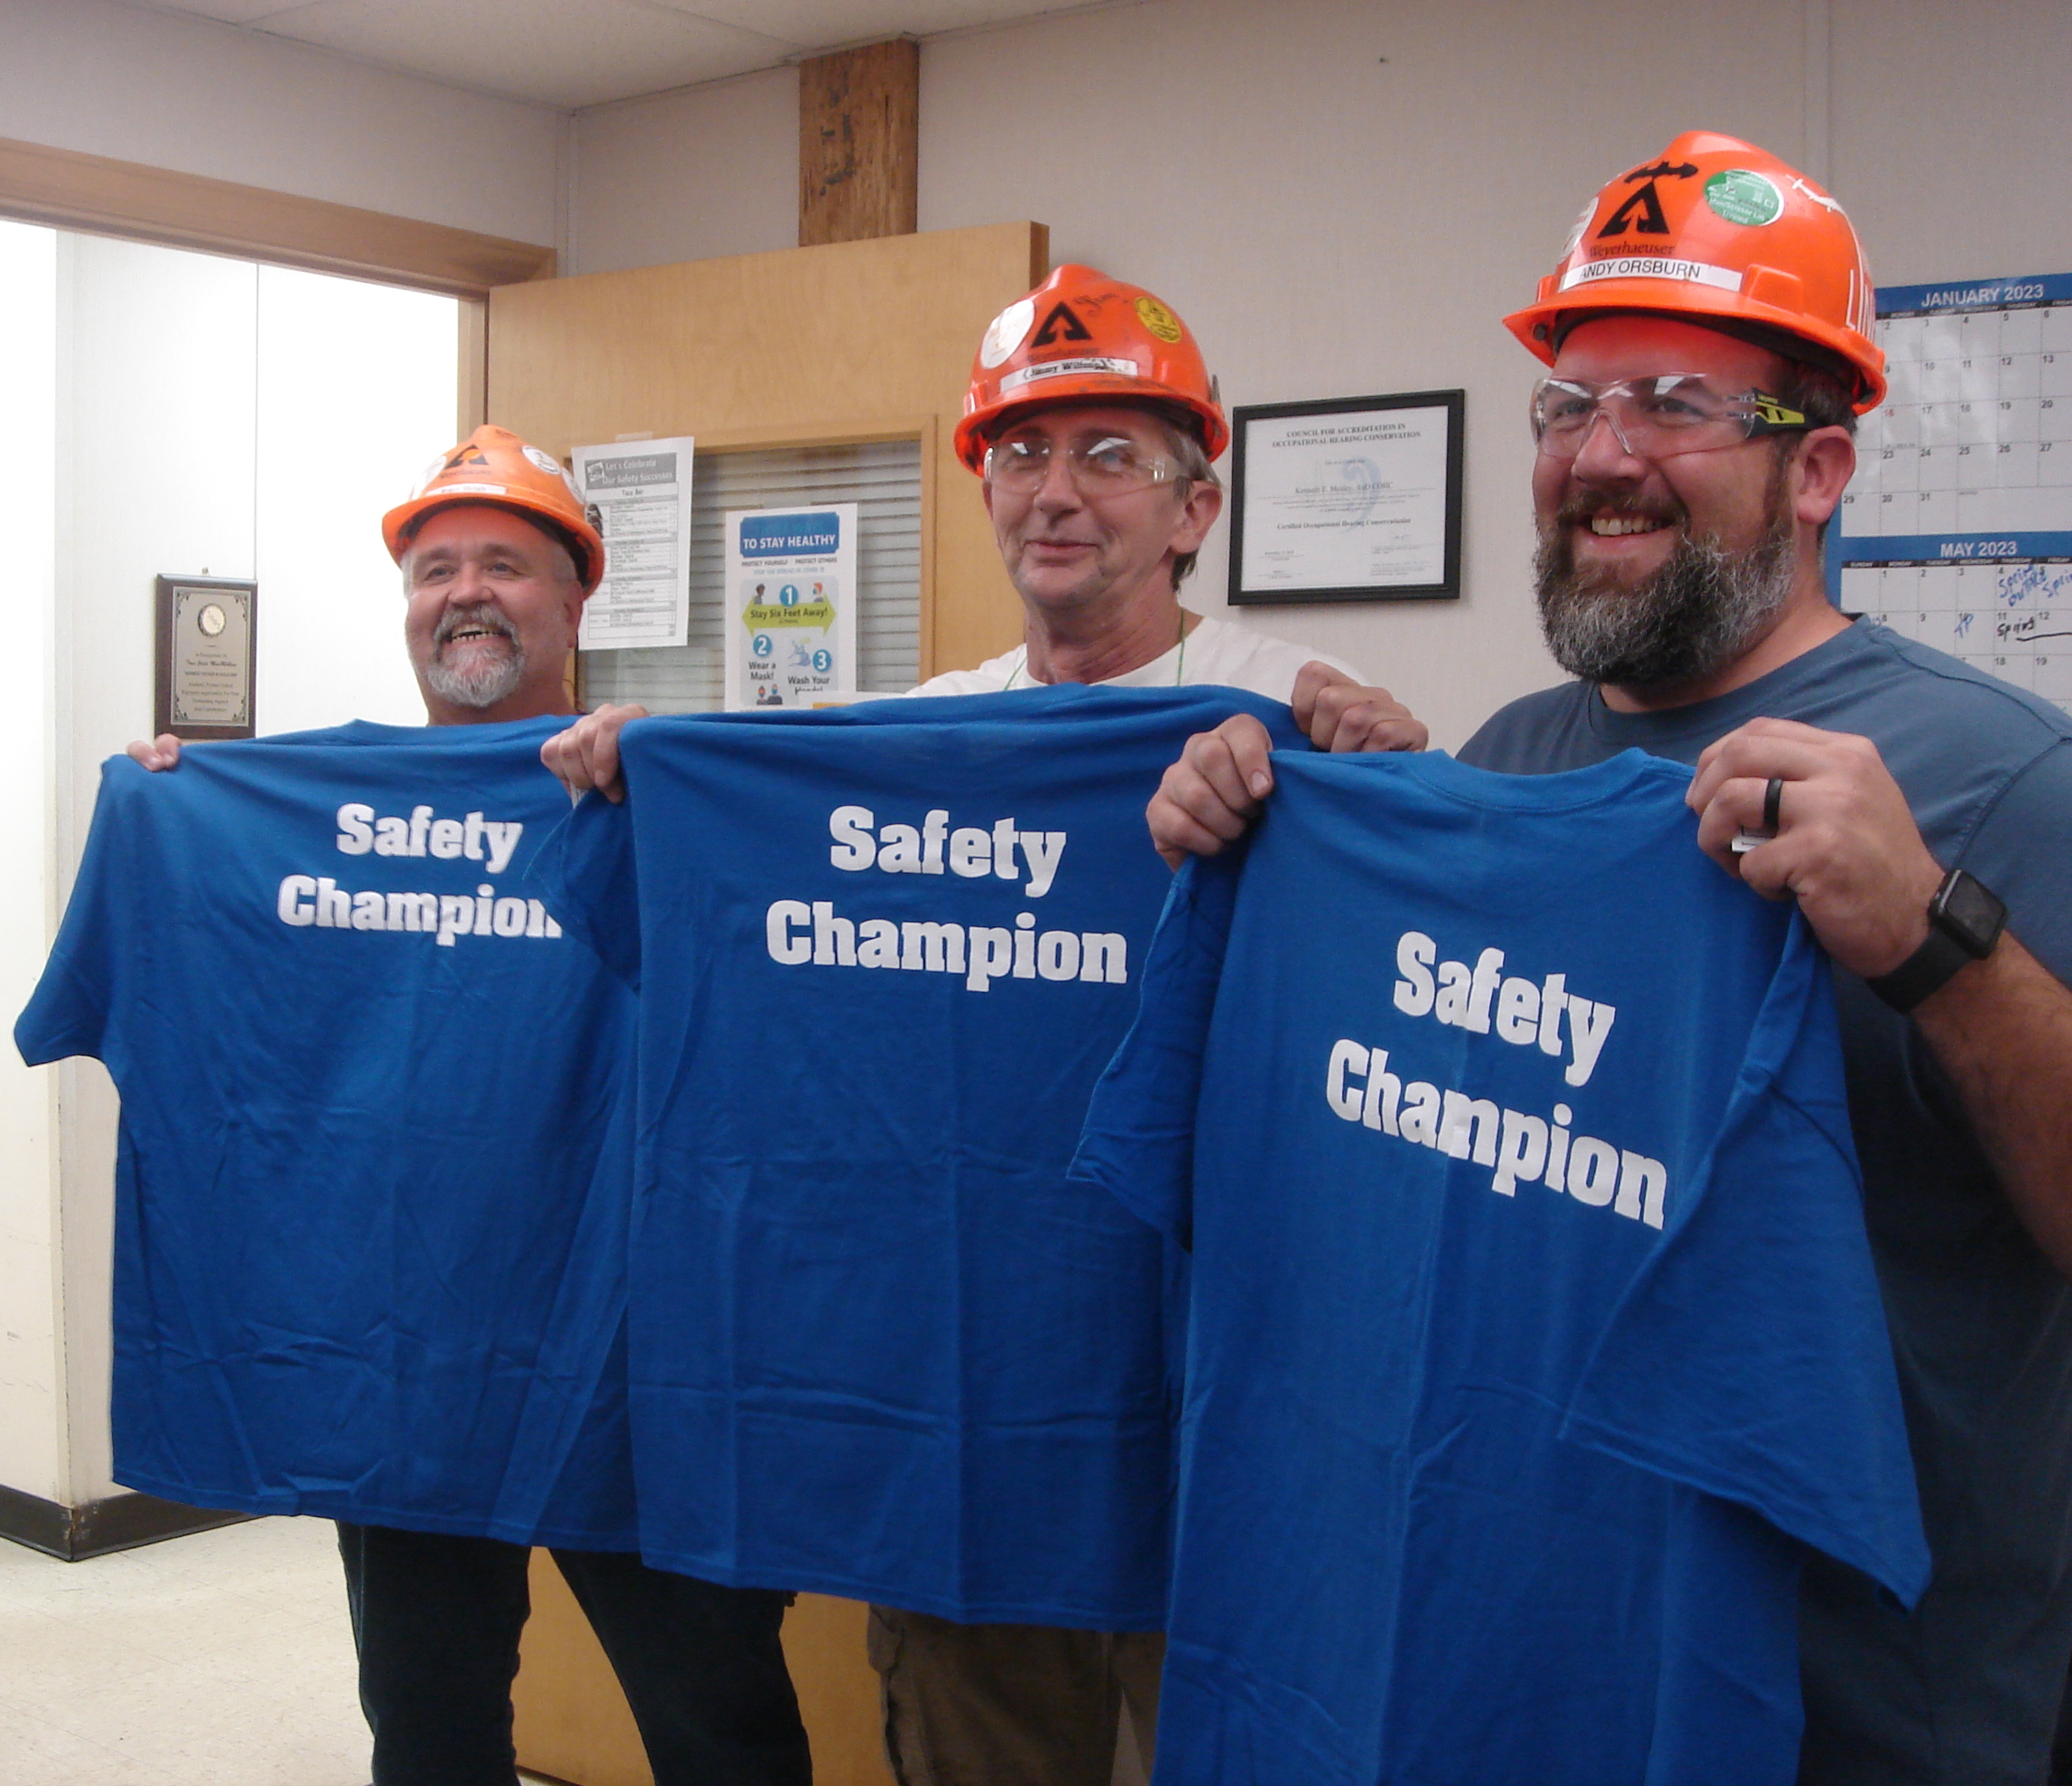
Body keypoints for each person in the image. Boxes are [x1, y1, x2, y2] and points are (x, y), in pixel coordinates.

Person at [1148, 132, 2072, 1786]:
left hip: (1858, 1700)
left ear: (1820, 472)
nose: (1604, 452)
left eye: (1674, 402)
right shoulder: (1512, 753)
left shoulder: (2003, 776)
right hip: (1539, 1650)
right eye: (1570, 406)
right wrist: (1283, 836)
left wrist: (1938, 940)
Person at [545, 266, 1423, 1786]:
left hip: (1215, 1419)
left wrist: (1392, 787)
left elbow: (1402, 1030)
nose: (1055, 494)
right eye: (1020, 453)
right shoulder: (926, 729)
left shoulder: (1296, 710)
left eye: (1108, 455)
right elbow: (750, 841)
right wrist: (658, 766)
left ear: (1194, 506)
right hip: (975, 1425)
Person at [133, 425, 812, 1786]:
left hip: (636, 1354)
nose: (466, 592)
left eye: (506, 561)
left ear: (577, 597)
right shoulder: (306, 815)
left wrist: (682, 791)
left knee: (722, 1725)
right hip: (408, 1357)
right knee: (428, 1730)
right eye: (435, 568)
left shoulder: (674, 789)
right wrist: (182, 822)